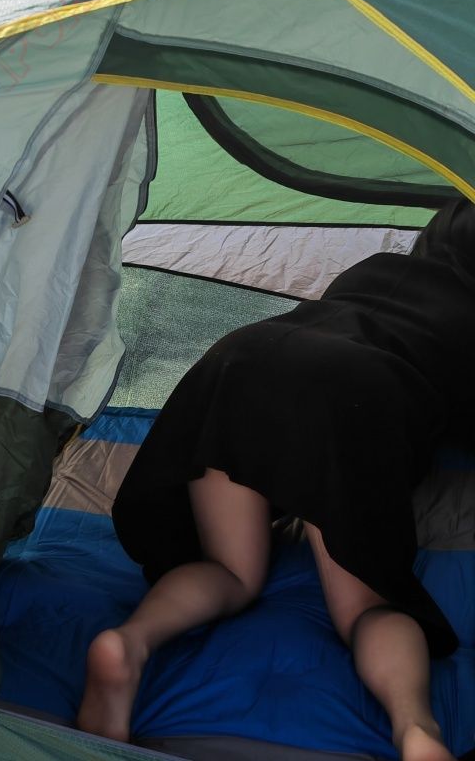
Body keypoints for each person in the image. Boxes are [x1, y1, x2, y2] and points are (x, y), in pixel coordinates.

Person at [77, 195, 475, 760]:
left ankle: (129, 643)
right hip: (349, 393)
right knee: (365, 611)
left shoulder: (378, 267)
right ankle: (416, 729)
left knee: (230, 571)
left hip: (243, 359)